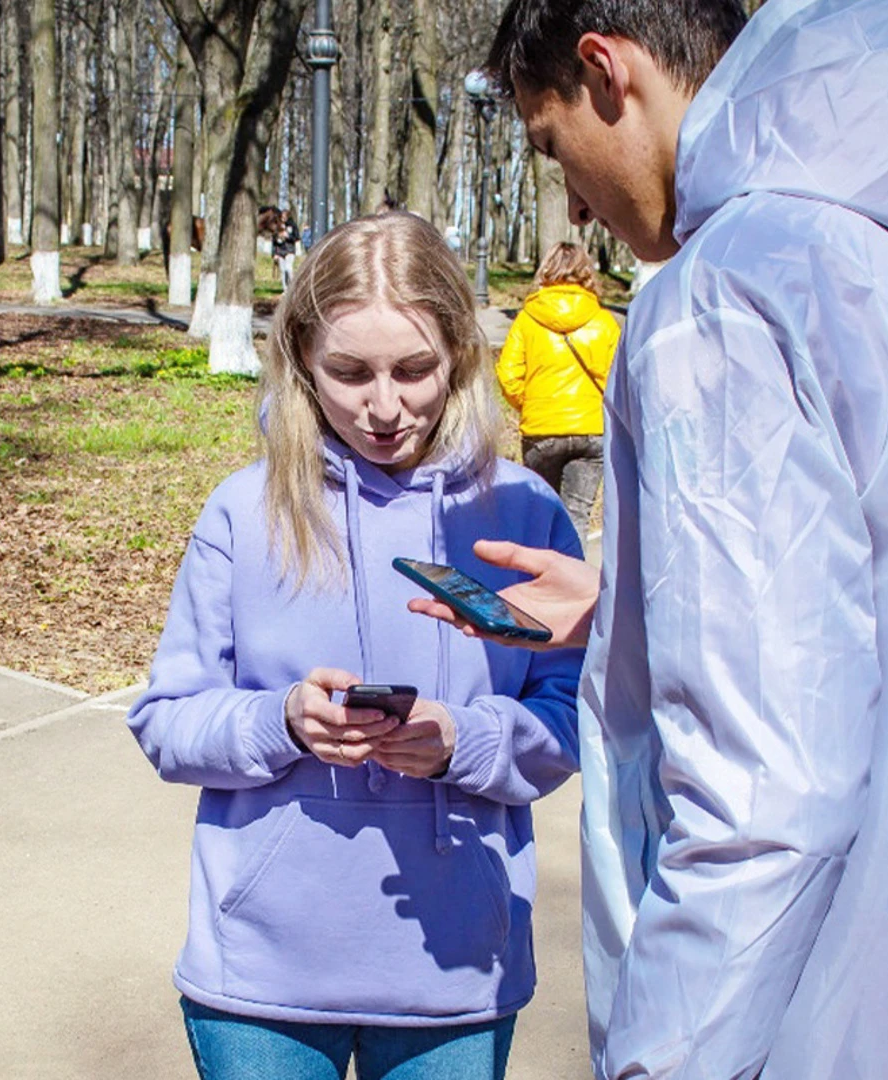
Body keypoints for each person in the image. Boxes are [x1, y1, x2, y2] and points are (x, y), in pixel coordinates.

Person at [416, 0, 888, 1075]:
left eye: (552, 146)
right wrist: (628, 604)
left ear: (605, 69)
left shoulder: (726, 294)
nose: (572, 196)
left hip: (811, 1020)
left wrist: (655, 1063)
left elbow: (764, 792)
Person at [127, 211, 583, 1080]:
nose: (384, 407)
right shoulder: (243, 512)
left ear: (460, 352)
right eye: (350, 372)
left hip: (457, 971)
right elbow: (166, 721)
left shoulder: (525, 514)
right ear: (301, 360)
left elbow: (571, 718)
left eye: (414, 370)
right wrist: (281, 723)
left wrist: (466, 741)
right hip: (261, 980)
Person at [497, 241, 621, 534]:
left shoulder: (527, 320)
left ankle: (538, 576)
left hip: (541, 429)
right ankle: (572, 576)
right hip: (591, 430)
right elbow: (617, 379)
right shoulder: (604, 323)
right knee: (576, 517)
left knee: (539, 514)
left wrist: (531, 404)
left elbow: (507, 374)